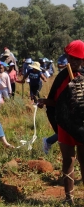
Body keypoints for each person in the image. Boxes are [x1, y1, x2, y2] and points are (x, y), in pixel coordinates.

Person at [38, 40, 84, 204]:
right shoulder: (62, 77)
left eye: (77, 59)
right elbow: (55, 101)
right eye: (71, 58)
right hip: (65, 124)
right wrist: (44, 101)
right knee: (68, 160)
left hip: (82, 125)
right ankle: (69, 197)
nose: (74, 62)